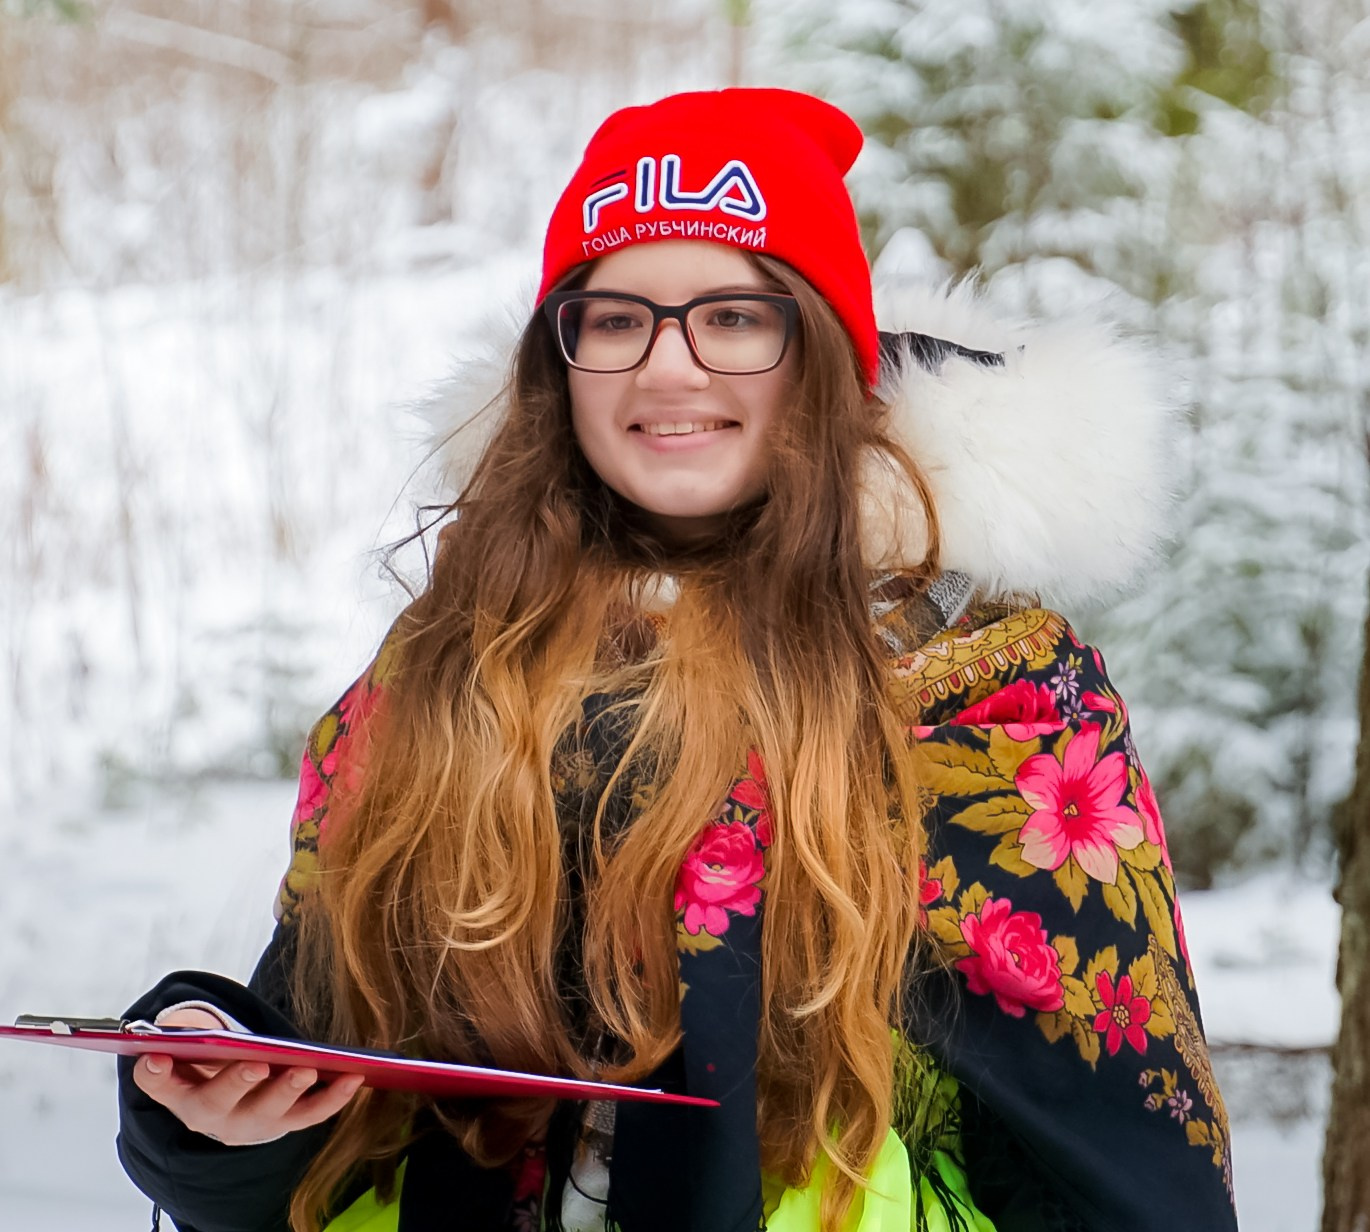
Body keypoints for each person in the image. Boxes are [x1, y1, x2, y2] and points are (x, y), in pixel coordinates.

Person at [116, 88, 1239, 1232]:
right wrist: (212, 1118)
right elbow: (319, 1111)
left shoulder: (989, 693)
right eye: (614, 320)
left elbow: (1127, 1183)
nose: (668, 367)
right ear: (561, 364)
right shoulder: (449, 667)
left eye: (734, 317)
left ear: (822, 355)